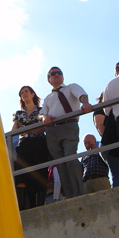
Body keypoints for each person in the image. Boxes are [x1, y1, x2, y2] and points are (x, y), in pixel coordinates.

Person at [40, 66, 93, 198]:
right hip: (52, 131)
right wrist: (45, 118)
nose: (57, 75)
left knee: (70, 157)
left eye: (59, 73)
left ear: (63, 76)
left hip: (69, 126)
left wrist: (85, 103)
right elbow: (41, 114)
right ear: (49, 79)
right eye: (53, 73)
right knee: (60, 165)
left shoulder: (71, 87)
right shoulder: (47, 98)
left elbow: (82, 94)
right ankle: (70, 195)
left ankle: (79, 193)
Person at [12, 86, 50, 210]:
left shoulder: (40, 110)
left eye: (26, 91)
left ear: (33, 94)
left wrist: (31, 129)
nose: (24, 94)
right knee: (24, 174)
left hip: (39, 143)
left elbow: (44, 124)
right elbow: (14, 131)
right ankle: (28, 206)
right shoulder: (19, 114)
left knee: (40, 173)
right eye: (22, 93)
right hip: (24, 145)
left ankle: (40, 206)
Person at [93, 92, 119, 187]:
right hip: (108, 144)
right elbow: (99, 125)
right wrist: (110, 140)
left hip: (115, 144)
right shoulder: (100, 109)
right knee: (118, 173)